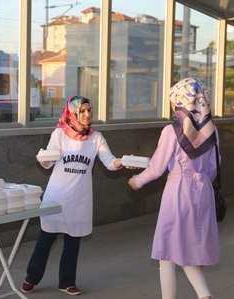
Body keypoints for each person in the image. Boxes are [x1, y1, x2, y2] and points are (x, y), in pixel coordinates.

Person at [21, 95, 123, 296]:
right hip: (56, 197)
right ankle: (31, 278)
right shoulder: (59, 134)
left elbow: (110, 162)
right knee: (46, 240)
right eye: (82, 111)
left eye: (89, 110)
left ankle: (67, 281)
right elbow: (48, 162)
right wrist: (43, 159)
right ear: (72, 112)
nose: (87, 114)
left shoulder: (96, 138)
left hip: (79, 199)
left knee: (73, 241)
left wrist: (124, 161)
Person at [128, 78, 219, 299]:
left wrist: (137, 181)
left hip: (178, 191)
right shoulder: (212, 131)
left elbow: (157, 168)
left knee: (167, 251)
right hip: (203, 190)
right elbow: (214, 167)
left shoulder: (172, 130)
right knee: (187, 249)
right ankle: (204, 294)